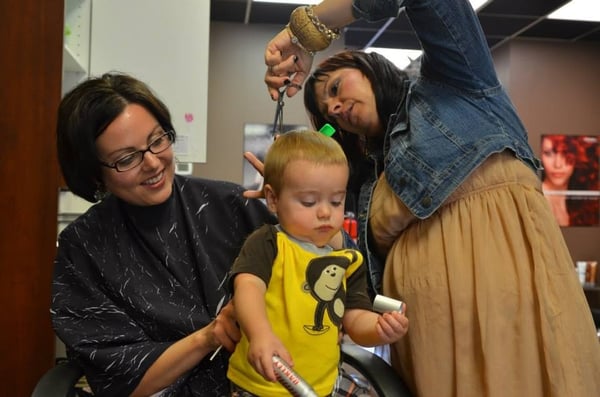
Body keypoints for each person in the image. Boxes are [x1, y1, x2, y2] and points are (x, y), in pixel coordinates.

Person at [261, 0, 600, 396]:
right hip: (428, 333)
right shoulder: (372, 174)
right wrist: (287, 192)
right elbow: (326, 228)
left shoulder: (456, 83)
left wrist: (308, 32)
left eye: (336, 89)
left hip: (510, 300)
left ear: (368, 67)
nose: (335, 108)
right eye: (329, 114)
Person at [51, 72, 278, 397]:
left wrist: (298, 206)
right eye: (127, 158)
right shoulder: (84, 247)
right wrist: (209, 336)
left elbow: (326, 271)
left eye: (158, 140)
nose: (154, 163)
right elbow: (122, 380)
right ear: (93, 172)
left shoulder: (232, 204)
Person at [228, 130, 408, 396]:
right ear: (274, 199)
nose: (325, 212)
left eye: (336, 201)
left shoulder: (347, 260)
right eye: (309, 201)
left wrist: (379, 330)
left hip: (322, 385)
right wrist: (260, 334)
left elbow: (354, 318)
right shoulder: (269, 243)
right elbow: (248, 288)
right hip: (262, 384)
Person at [540, 134, 599, 226]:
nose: (558, 164)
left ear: (578, 156)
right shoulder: (534, 199)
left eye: (566, 153)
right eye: (549, 153)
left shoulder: (584, 202)